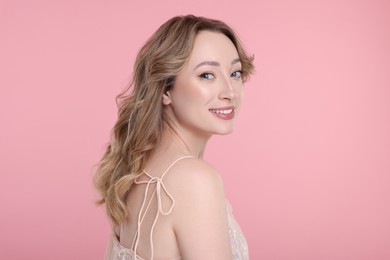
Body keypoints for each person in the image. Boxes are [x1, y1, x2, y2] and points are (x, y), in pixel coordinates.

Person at [94, 14, 254, 260]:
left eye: (234, 73)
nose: (229, 91)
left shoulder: (137, 168)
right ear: (166, 89)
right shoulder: (195, 179)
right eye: (207, 75)